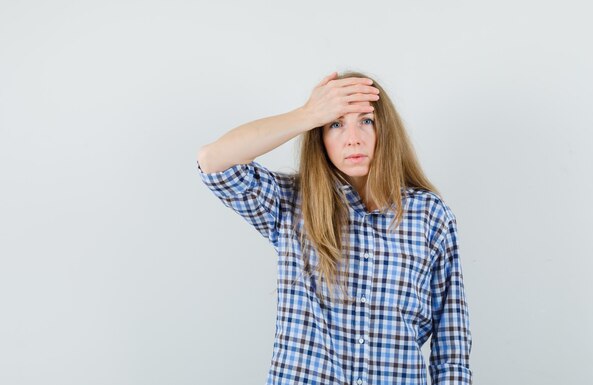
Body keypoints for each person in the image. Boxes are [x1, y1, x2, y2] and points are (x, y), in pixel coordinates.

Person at [196, 70, 473, 385]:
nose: (352, 138)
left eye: (366, 121)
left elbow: (452, 349)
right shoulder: (290, 203)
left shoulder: (429, 216)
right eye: (336, 124)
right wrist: (307, 114)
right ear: (320, 136)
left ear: (386, 130)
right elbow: (213, 162)